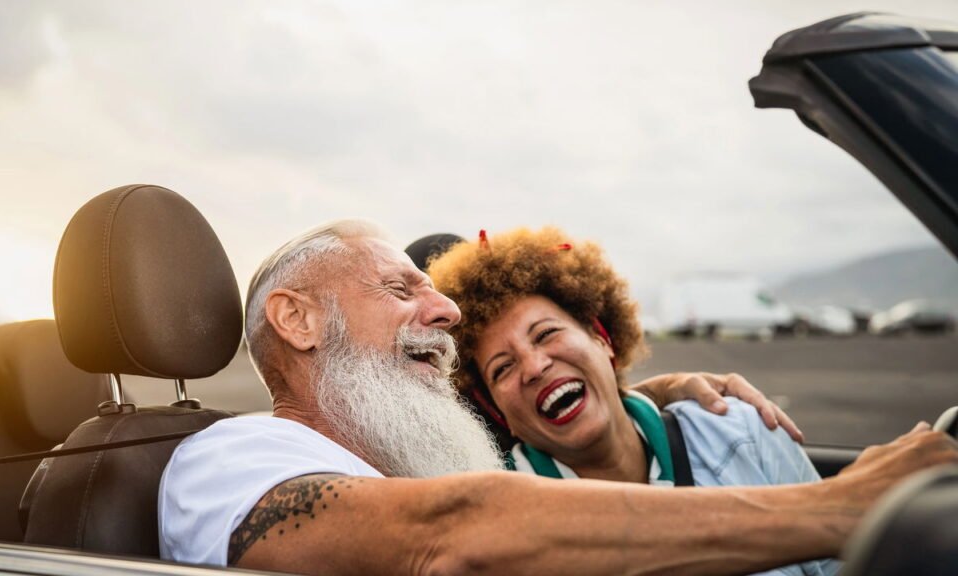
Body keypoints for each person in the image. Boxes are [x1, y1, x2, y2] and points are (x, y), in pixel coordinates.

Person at [158, 219, 957, 576]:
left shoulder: (405, 466)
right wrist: (848, 507)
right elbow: (451, 534)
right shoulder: (228, 459)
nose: (444, 312)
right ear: (296, 319)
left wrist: (640, 399)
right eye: (401, 289)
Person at [427, 226, 838, 575]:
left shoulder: (740, 430)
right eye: (502, 368)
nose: (534, 367)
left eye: (546, 333)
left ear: (602, 339)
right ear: (498, 412)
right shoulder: (497, 527)